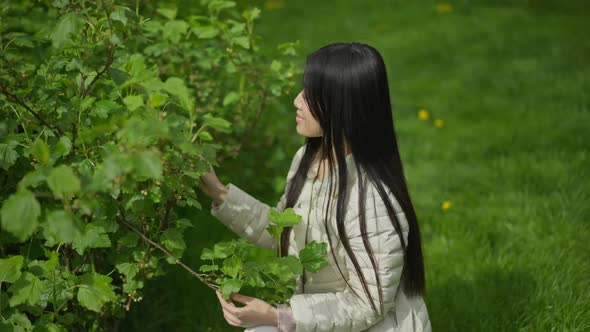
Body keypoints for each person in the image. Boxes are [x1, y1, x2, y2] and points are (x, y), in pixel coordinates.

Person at [198, 42, 431, 332]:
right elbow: (282, 232)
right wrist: (218, 191)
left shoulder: (373, 199)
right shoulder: (309, 159)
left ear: (342, 106)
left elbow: (367, 305)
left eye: (310, 95)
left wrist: (278, 317)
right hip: (324, 321)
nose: (297, 100)